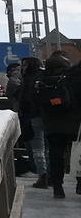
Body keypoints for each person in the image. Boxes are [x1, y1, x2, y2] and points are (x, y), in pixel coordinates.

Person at [36, 52, 81, 198]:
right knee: (77, 152)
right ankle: (79, 182)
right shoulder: (72, 76)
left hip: (51, 124)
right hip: (73, 122)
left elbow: (33, 99)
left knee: (56, 155)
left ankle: (57, 186)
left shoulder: (41, 77)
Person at [21, 56, 49, 187]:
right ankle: (52, 175)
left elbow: (25, 100)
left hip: (34, 115)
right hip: (49, 115)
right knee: (49, 147)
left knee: (38, 146)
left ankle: (42, 175)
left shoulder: (28, 79)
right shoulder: (45, 76)